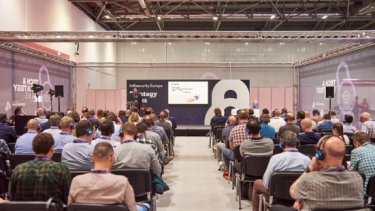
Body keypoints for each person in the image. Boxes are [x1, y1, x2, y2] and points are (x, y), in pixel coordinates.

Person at [290, 136, 364, 210]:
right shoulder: (358, 178)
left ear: (320, 155)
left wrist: (309, 169)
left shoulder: (309, 179)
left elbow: (292, 191)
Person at [68, 142, 137, 211]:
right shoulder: (122, 182)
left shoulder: (77, 181)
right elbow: (132, 208)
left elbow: (70, 207)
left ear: (92, 158)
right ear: (112, 158)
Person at [251, 131, 311, 211]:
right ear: (297, 144)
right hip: (299, 194)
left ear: (281, 144)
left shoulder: (275, 158)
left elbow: (266, 182)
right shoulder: (307, 160)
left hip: (276, 194)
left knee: (256, 183)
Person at [10, 133, 71, 203]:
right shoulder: (62, 169)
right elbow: (67, 200)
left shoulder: (18, 170)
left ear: (33, 148)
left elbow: (11, 199)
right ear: (52, 148)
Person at [222, 110, 251, 176]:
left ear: (238, 117)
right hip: (252, 156)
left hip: (237, 156)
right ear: (248, 117)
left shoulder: (234, 130)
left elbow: (231, 147)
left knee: (224, 151)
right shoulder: (253, 129)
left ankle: (231, 173)